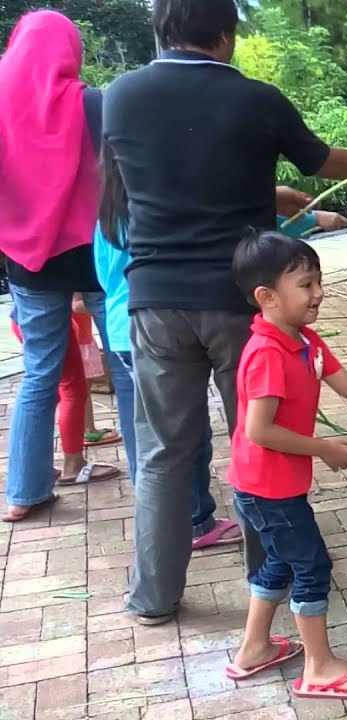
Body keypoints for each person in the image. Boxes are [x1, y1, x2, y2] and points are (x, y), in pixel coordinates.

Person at [104, 0, 347, 625]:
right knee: (258, 446)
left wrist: (271, 197)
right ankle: (282, 574)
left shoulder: (120, 96)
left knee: (162, 452)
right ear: (224, 34)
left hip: (155, 301)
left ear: (162, 28)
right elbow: (323, 162)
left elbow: (166, 182)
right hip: (244, 302)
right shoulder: (256, 98)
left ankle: (153, 596)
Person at [93, 146, 347, 550]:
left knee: (160, 439)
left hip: (128, 328)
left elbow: (103, 276)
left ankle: (188, 525)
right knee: (199, 434)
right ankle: (235, 526)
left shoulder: (110, 218)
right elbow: (256, 246)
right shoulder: (268, 349)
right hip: (179, 319)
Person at [224, 232, 347, 698]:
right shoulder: (268, 353)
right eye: (306, 285)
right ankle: (318, 666)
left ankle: (254, 648)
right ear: (266, 297)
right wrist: (323, 447)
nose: (318, 293)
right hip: (265, 487)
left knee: (281, 559)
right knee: (311, 566)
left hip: (275, 485)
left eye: (319, 281)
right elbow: (260, 430)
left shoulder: (304, 340)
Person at [0, 10, 131, 522]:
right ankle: (159, 492)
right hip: (97, 258)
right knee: (124, 367)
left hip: (27, 262)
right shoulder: (93, 104)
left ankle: (24, 491)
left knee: (38, 376)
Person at [8, 298, 121, 486]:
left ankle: (32, 471)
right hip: (50, 319)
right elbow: (76, 301)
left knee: (39, 389)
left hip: (24, 315)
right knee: (71, 389)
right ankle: (73, 465)